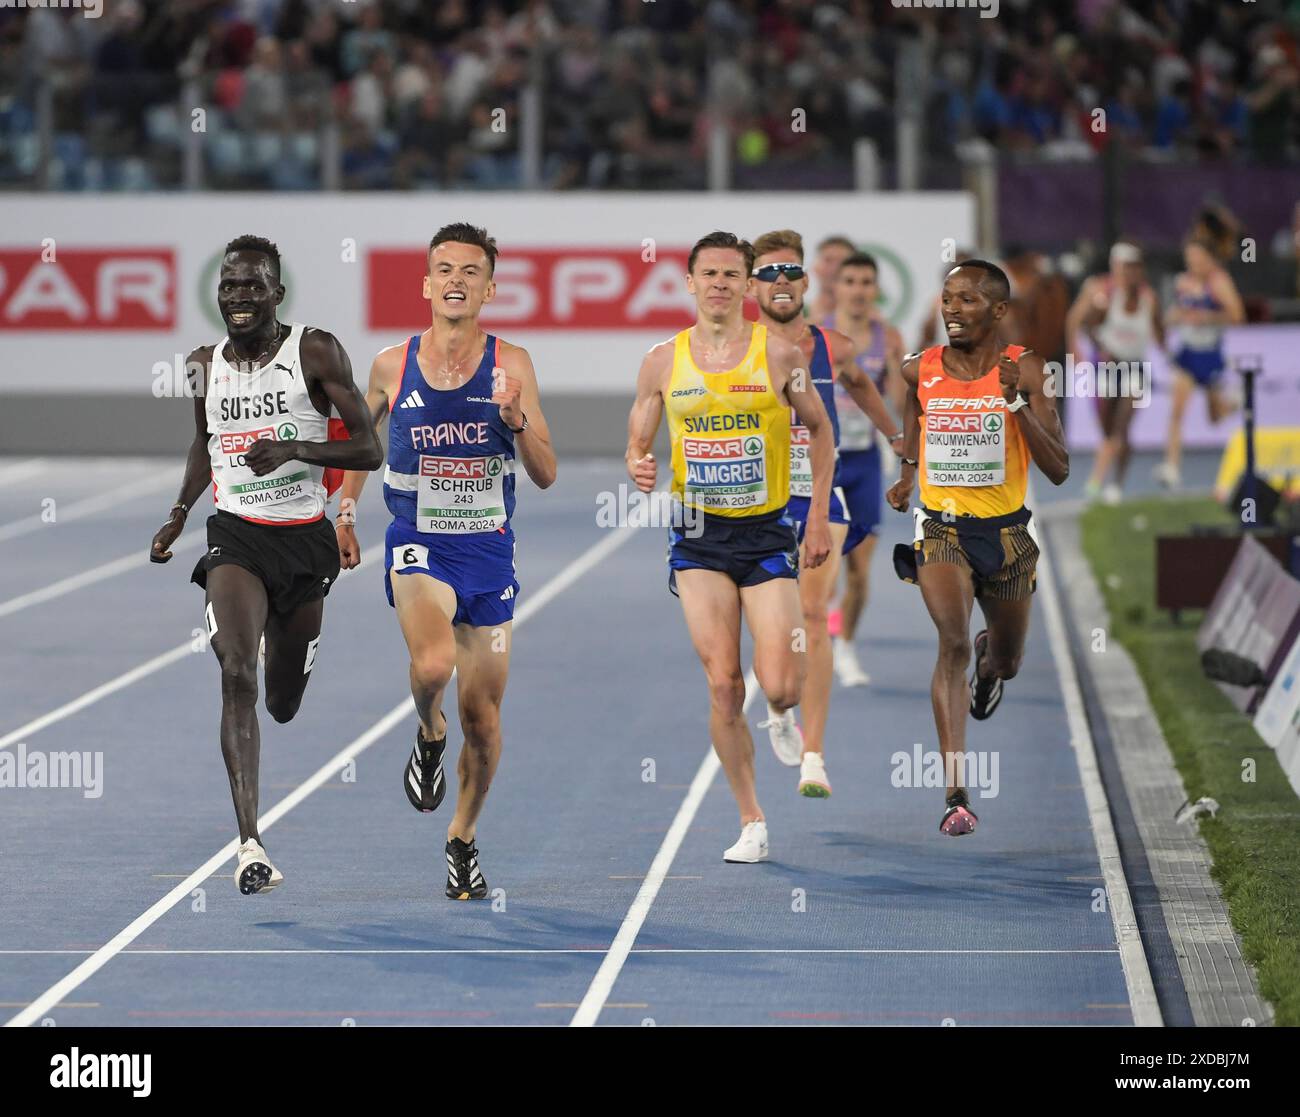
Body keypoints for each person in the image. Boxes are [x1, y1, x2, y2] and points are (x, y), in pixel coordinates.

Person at [149, 234, 383, 894]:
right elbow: (206, 442)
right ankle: (250, 842)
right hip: (235, 537)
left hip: (303, 541)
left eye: (253, 286)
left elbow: (369, 448)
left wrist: (295, 450)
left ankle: (297, 653)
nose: (240, 297)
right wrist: (178, 511)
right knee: (234, 668)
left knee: (280, 701)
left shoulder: (315, 349)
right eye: (229, 287)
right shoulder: (204, 364)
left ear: (277, 293)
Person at [336, 223, 556, 900]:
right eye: (444, 269)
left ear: (490, 287)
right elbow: (356, 442)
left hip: (488, 554)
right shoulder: (389, 365)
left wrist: (516, 422)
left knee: (484, 724)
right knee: (434, 665)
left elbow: (545, 472)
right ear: (427, 284)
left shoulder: (512, 362)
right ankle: (428, 730)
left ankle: (461, 835)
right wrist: (344, 510)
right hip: (417, 542)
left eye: (470, 270)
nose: (456, 280)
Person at [625, 230, 835, 862]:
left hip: (767, 531)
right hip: (697, 536)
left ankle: (779, 713)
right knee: (721, 684)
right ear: (689, 283)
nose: (718, 284)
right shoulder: (663, 360)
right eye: (707, 274)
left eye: (730, 275)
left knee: (779, 686)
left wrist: (818, 516)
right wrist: (636, 463)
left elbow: (821, 433)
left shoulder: (779, 355)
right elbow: (638, 437)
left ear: (749, 286)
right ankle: (751, 820)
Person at [886, 261, 1069, 835]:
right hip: (942, 529)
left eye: (967, 300)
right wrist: (909, 472)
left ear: (997, 311)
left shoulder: (1026, 368)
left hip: (1009, 534)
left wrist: (1015, 406)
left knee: (1007, 661)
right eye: (946, 298)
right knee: (951, 640)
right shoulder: (920, 369)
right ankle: (956, 794)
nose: (951, 309)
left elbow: (1059, 470)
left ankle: (992, 666)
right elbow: (916, 417)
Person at [750, 230, 901, 796]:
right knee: (773, 633)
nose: (780, 283)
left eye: (789, 273)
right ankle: (780, 707)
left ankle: (814, 753)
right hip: (752, 501)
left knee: (815, 616)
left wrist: (901, 442)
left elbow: (862, 384)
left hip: (818, 494)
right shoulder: (734, 348)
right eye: (767, 274)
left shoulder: (832, 346)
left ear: (808, 283)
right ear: (751, 285)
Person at [823, 251, 906, 687]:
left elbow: (898, 399)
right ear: (836, 288)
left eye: (866, 282)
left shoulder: (886, 336)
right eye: (850, 281)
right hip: (820, 462)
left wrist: (895, 369)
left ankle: (846, 649)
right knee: (818, 563)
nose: (858, 290)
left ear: (876, 289)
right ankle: (809, 641)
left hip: (864, 462)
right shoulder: (815, 334)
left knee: (859, 569)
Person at [1065, 242, 1164, 504]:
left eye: (1133, 267)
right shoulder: (1100, 291)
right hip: (1108, 368)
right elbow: (1078, 320)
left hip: (1135, 369)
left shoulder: (1149, 298)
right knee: (1109, 431)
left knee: (1122, 426)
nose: (1128, 273)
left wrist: (1174, 363)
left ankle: (1108, 483)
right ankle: (1107, 478)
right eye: (1124, 267)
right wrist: (1076, 348)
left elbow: (1160, 332)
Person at [1155, 236, 1245, 489]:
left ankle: (1233, 404)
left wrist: (1207, 317)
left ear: (1209, 258)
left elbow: (1237, 316)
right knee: (1177, 412)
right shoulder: (1183, 282)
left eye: (1198, 259)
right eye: (1190, 259)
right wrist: (1174, 317)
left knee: (1214, 418)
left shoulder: (1219, 282)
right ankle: (1171, 467)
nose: (1193, 263)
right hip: (1187, 354)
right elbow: (1176, 312)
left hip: (1210, 354)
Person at [809, 234, 856, 324]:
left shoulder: (872, 324)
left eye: (843, 262)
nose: (835, 269)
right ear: (815, 268)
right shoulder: (795, 315)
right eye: (828, 260)